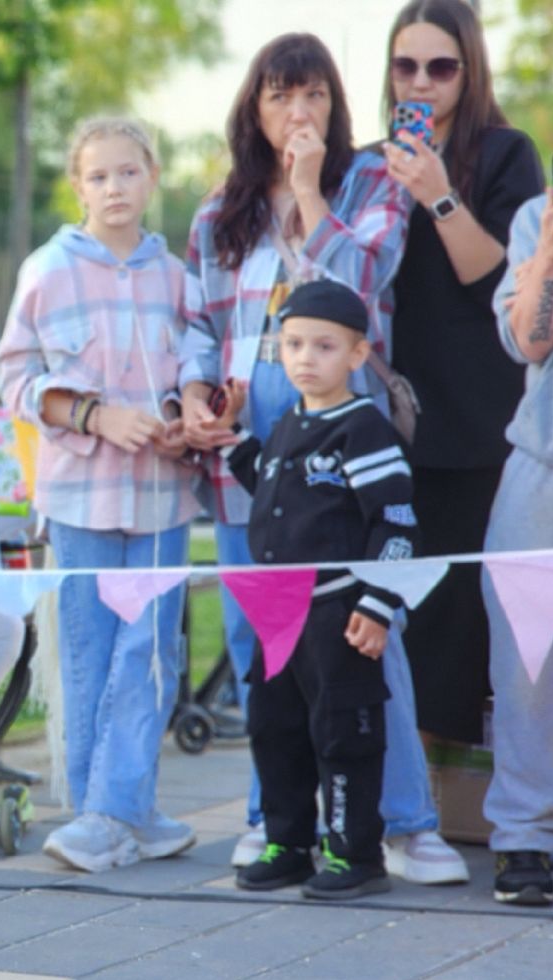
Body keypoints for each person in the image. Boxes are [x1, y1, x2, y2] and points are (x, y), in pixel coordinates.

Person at [177, 34, 456, 885]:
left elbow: (362, 283)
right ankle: (280, 822)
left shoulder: (371, 181)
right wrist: (193, 397)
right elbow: (197, 326)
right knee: (260, 636)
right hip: (250, 448)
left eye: (314, 97)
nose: (298, 113)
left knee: (364, 633)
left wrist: (307, 192)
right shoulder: (219, 210)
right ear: (253, 110)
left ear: (336, 107)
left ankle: (403, 824)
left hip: (340, 437)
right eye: (280, 97)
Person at [0, 117, 199, 872]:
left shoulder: (177, 278)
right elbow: (13, 375)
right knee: (91, 654)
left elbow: (196, 367)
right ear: (77, 186)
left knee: (152, 652)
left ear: (152, 178)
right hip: (80, 497)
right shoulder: (47, 270)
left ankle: (121, 812)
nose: (115, 187)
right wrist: (93, 415)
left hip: (162, 499)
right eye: (99, 175)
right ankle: (101, 813)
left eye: (128, 172)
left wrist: (181, 416)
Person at [380, 0, 541, 882]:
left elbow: (493, 277)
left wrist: (437, 190)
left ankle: (469, 805)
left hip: (480, 411)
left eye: (439, 68)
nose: (421, 84)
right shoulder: (369, 162)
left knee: (475, 612)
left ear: (469, 71)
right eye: (406, 66)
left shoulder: (505, 154)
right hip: (391, 411)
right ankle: (410, 807)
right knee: (401, 609)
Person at [222, 280, 416, 900]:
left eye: (324, 346)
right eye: (294, 344)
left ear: (357, 355)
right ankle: (287, 842)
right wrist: (234, 439)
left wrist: (377, 604)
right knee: (274, 728)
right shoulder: (288, 424)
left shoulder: (363, 429)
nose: (306, 358)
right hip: (277, 612)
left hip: (338, 609)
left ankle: (354, 853)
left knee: (344, 732)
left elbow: (396, 523)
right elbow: (274, 490)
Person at [477, 49, 553, 907]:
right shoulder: (538, 217)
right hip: (547, 463)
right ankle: (525, 838)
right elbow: (529, 340)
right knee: (526, 663)